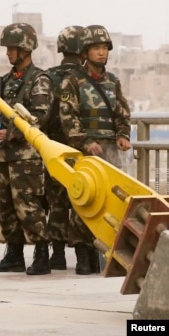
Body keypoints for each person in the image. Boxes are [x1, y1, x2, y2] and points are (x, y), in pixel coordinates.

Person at [0, 23, 52, 275]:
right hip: (2, 155)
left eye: (12, 48)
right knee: (6, 206)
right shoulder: (2, 81)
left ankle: (42, 253)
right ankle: (14, 253)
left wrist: (11, 133)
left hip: (26, 157)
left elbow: (41, 116)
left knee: (28, 205)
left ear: (26, 49)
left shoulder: (39, 80)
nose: (8, 53)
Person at [59, 24, 131, 275]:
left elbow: (123, 113)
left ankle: (103, 249)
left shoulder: (113, 82)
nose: (102, 53)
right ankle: (82, 252)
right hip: (85, 151)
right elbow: (68, 117)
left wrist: (122, 135)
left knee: (110, 200)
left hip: (110, 152)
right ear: (85, 51)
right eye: (96, 48)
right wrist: (84, 142)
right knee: (84, 199)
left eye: (104, 48)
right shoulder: (73, 80)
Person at [44, 25, 84, 270]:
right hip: (81, 148)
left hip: (54, 150)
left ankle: (57, 254)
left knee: (56, 202)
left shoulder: (48, 76)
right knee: (82, 201)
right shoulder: (86, 76)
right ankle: (85, 258)